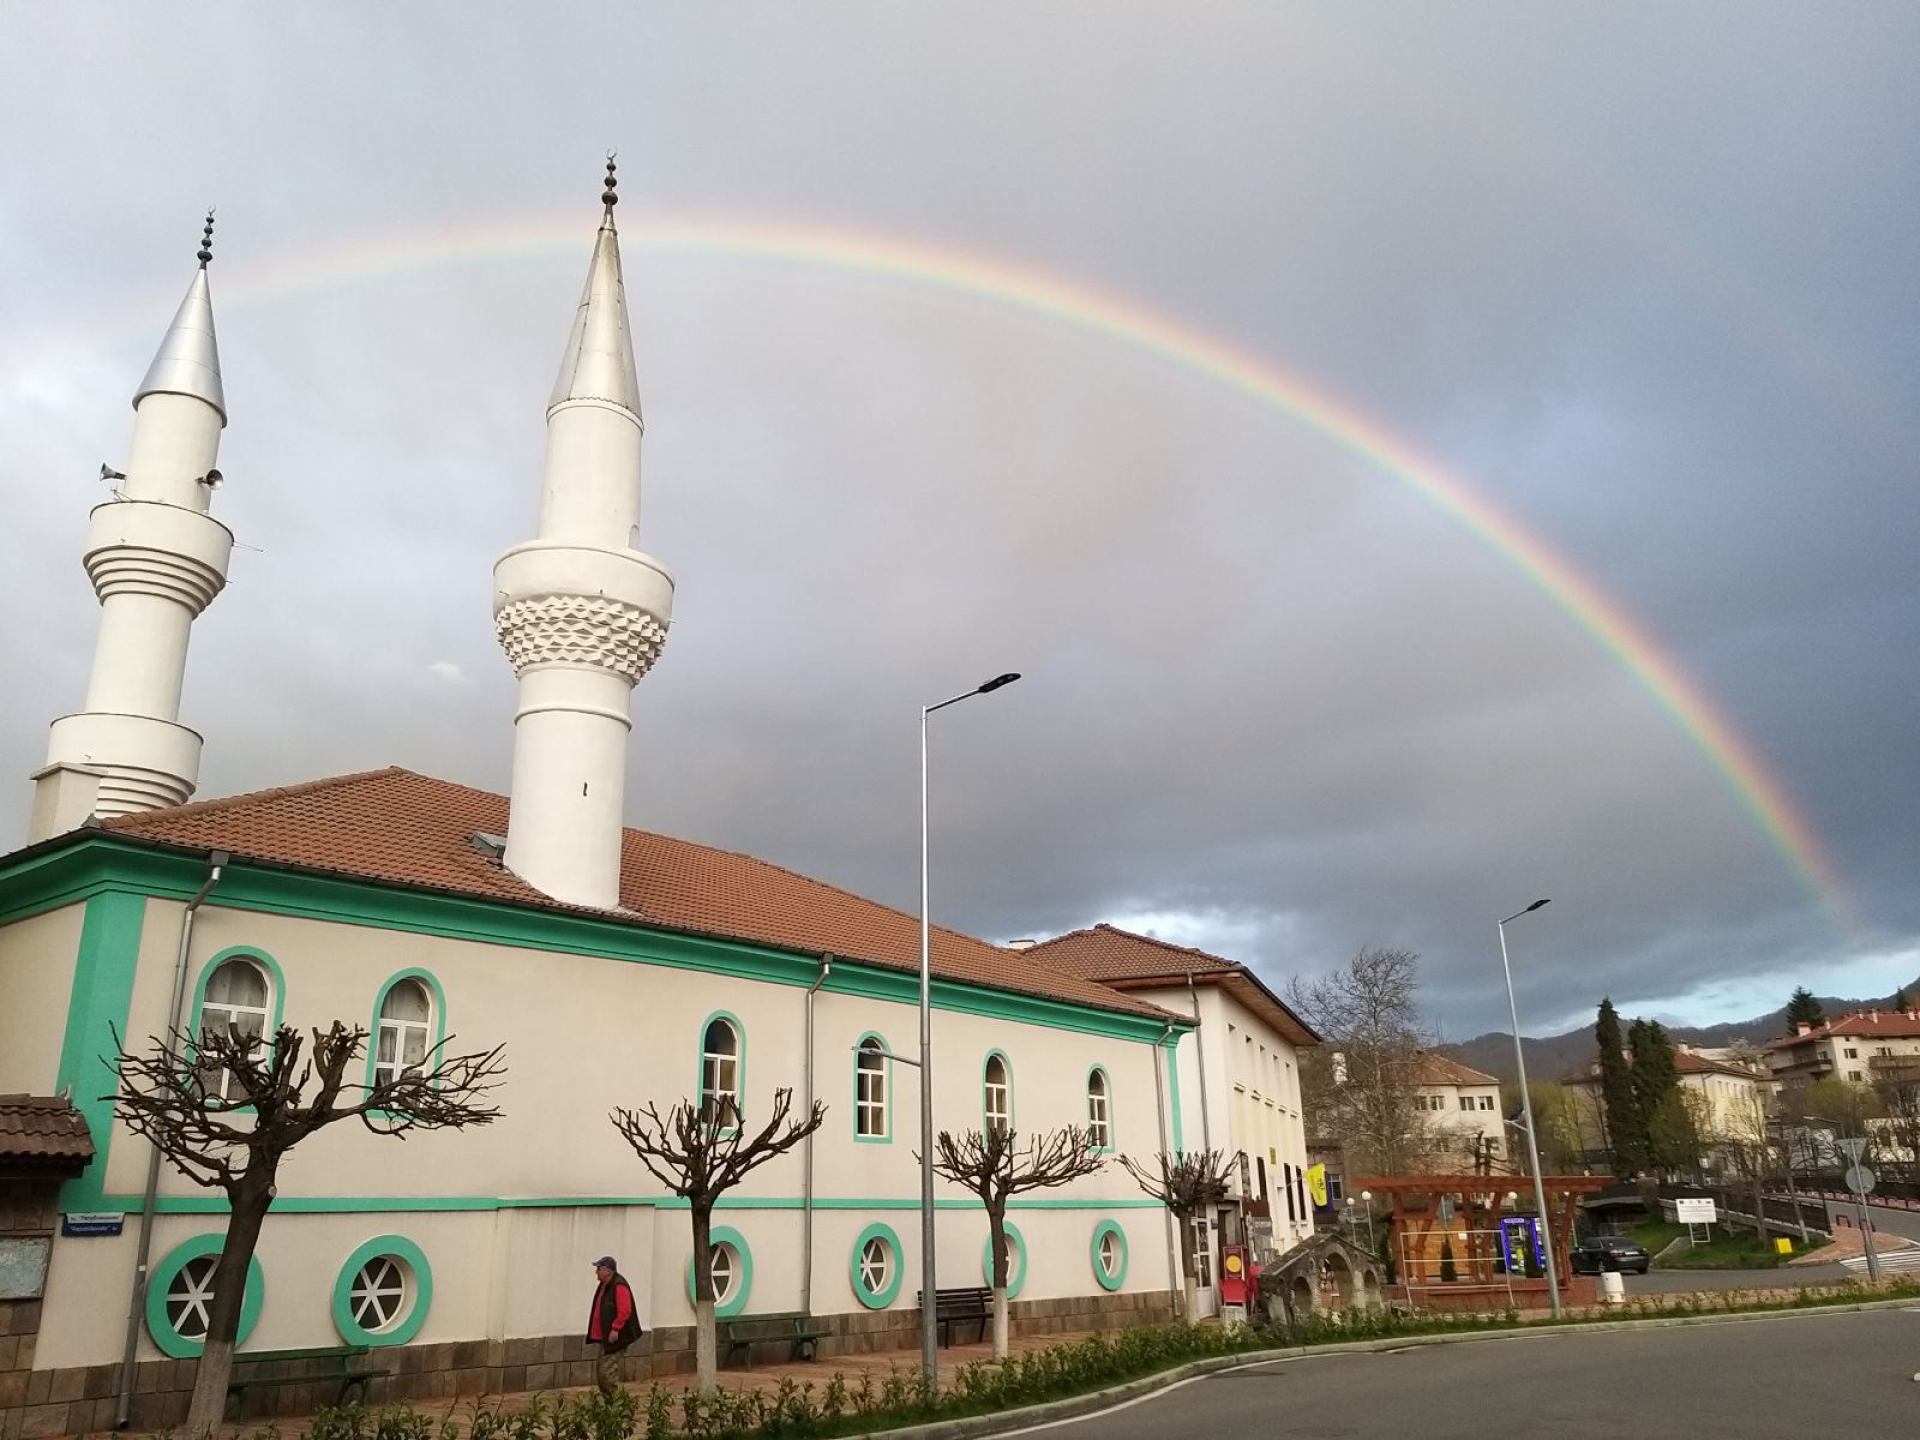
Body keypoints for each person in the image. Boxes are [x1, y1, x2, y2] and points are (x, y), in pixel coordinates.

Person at [586, 1255, 642, 1395]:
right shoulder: (605, 1285)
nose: (596, 1272)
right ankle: (610, 1406)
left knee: (606, 1374)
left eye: (598, 1269)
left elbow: (625, 1311)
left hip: (615, 1339)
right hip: (606, 1338)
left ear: (607, 1270)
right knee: (602, 1373)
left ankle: (616, 1407)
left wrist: (615, 1329)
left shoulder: (618, 1285)